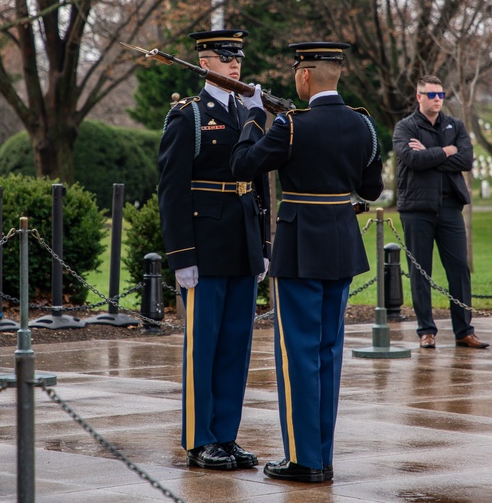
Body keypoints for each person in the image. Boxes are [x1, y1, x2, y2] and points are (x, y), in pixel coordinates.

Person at [230, 41, 383, 483]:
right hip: (341, 243)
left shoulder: (291, 126)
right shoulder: (363, 125)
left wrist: (255, 115)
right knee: (328, 353)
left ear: (304, 76)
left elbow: (243, 165)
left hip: (300, 247)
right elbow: (370, 190)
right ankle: (323, 456)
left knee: (297, 353)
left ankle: (303, 460)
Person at [157, 29, 271, 470]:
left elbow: (259, 181)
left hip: (241, 243)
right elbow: (171, 191)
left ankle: (226, 434)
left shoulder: (249, 112)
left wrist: (262, 244)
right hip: (204, 246)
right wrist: (181, 255)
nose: (235, 63)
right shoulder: (188, 116)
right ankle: (199, 438)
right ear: (204, 63)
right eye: (225, 57)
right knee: (202, 347)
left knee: (235, 348)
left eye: (238, 56)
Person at [393, 75, 488, 350]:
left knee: (459, 269)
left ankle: (464, 331)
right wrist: (446, 152)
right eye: (431, 95)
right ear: (418, 96)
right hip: (416, 209)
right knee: (420, 271)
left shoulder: (454, 125)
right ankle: (426, 331)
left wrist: (433, 154)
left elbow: (466, 160)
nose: (437, 99)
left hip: (449, 207)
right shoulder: (405, 127)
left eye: (440, 95)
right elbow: (412, 159)